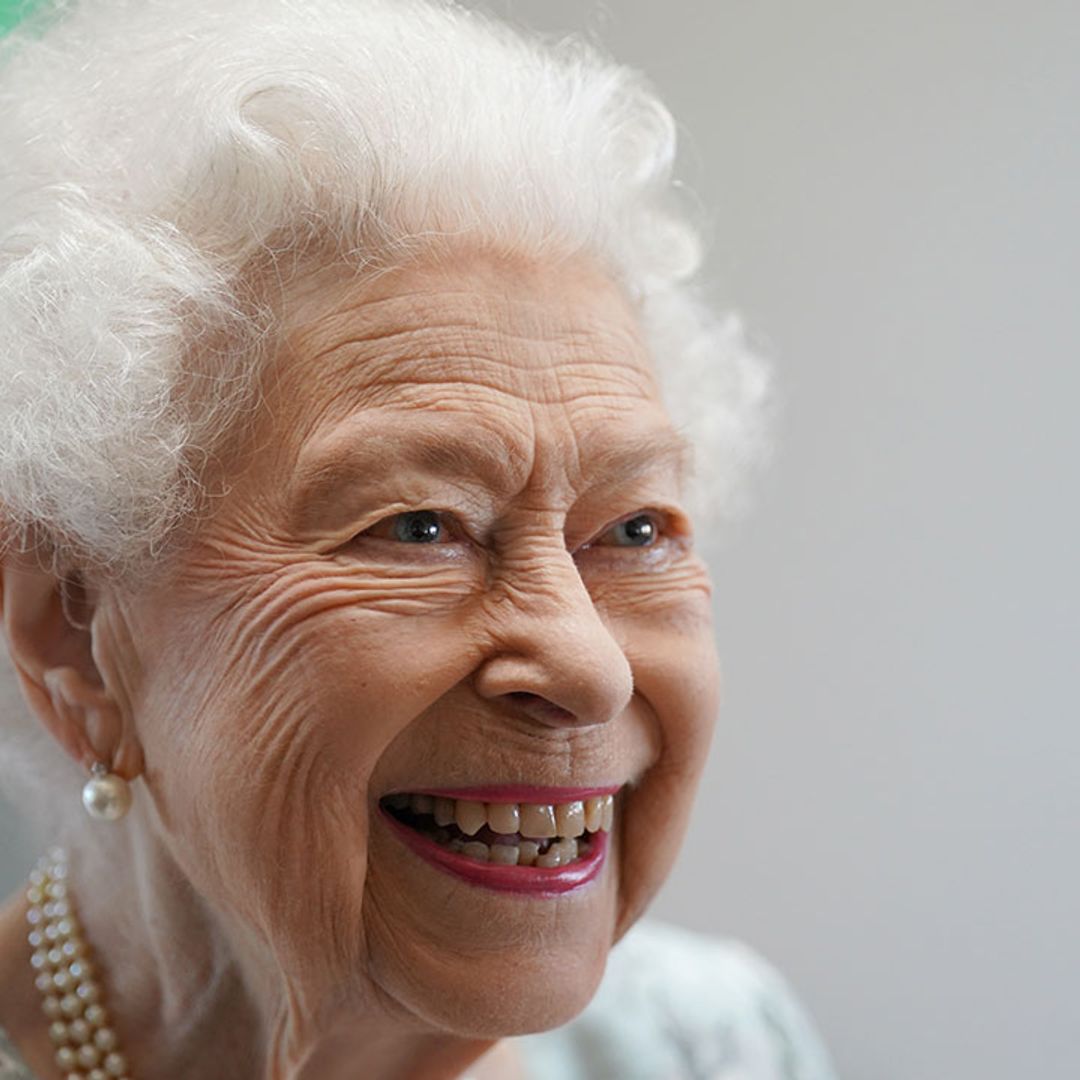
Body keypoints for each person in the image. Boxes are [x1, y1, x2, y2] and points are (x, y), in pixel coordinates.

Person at [0, 1, 838, 1077]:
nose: (589, 669)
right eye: (419, 526)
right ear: (72, 633)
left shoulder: (715, 1048)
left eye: (635, 529)